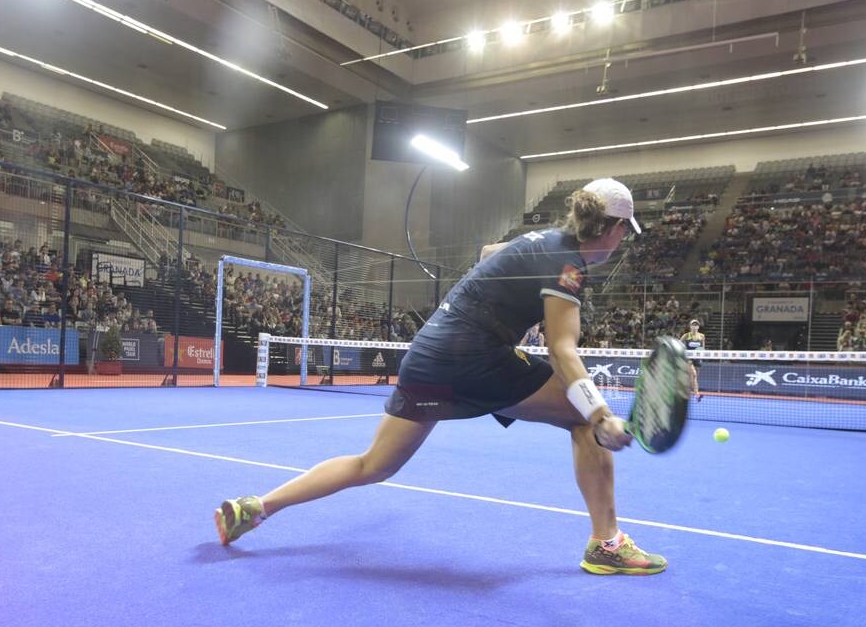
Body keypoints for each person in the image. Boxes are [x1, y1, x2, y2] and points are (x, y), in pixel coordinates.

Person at [214, 179, 668, 576]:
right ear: (613, 229)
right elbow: (563, 349)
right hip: (473, 357)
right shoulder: (569, 265)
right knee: (582, 419)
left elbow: (490, 253)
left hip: (429, 355)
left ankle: (256, 508)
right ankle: (606, 544)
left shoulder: (540, 240)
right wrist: (602, 413)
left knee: (374, 465)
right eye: (624, 234)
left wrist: (508, 305)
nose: (621, 242)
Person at [679, 318, 706, 402]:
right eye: (693, 325)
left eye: (696, 325)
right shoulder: (686, 335)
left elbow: (703, 347)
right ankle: (697, 394)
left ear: (698, 327)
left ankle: (690, 393)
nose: (694, 326)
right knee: (693, 374)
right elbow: (678, 344)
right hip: (688, 358)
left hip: (697, 358)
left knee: (694, 378)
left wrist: (701, 352)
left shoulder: (702, 336)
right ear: (690, 326)